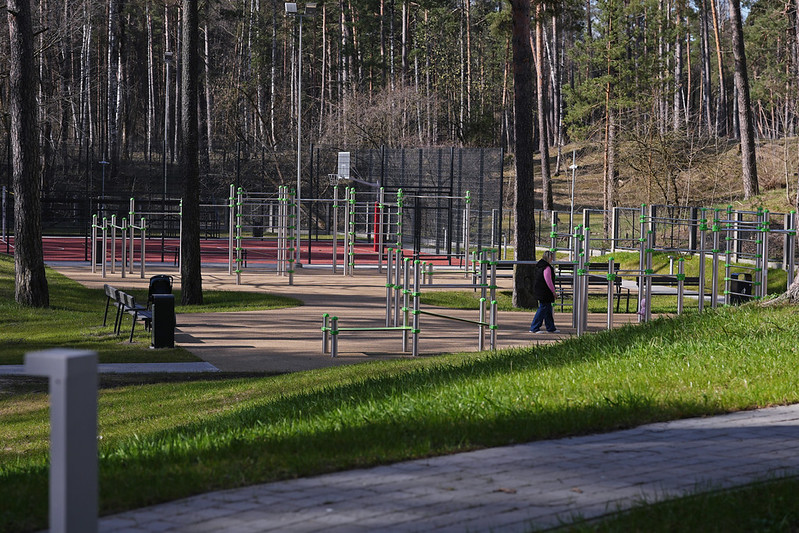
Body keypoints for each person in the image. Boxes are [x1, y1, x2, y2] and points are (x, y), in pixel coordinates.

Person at [529, 250, 560, 334]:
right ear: (549, 257)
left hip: (540, 290)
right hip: (545, 292)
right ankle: (534, 327)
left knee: (548, 310)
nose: (552, 259)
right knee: (543, 309)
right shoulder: (547, 268)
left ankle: (551, 327)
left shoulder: (540, 266)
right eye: (552, 257)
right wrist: (553, 292)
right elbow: (548, 281)